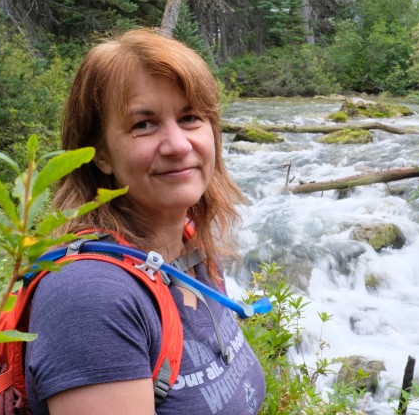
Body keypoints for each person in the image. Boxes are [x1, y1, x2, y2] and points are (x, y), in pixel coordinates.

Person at [24, 28, 265, 415]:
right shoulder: (91, 297)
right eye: (144, 125)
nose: (178, 145)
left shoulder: (192, 251)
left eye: (190, 118)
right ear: (100, 154)